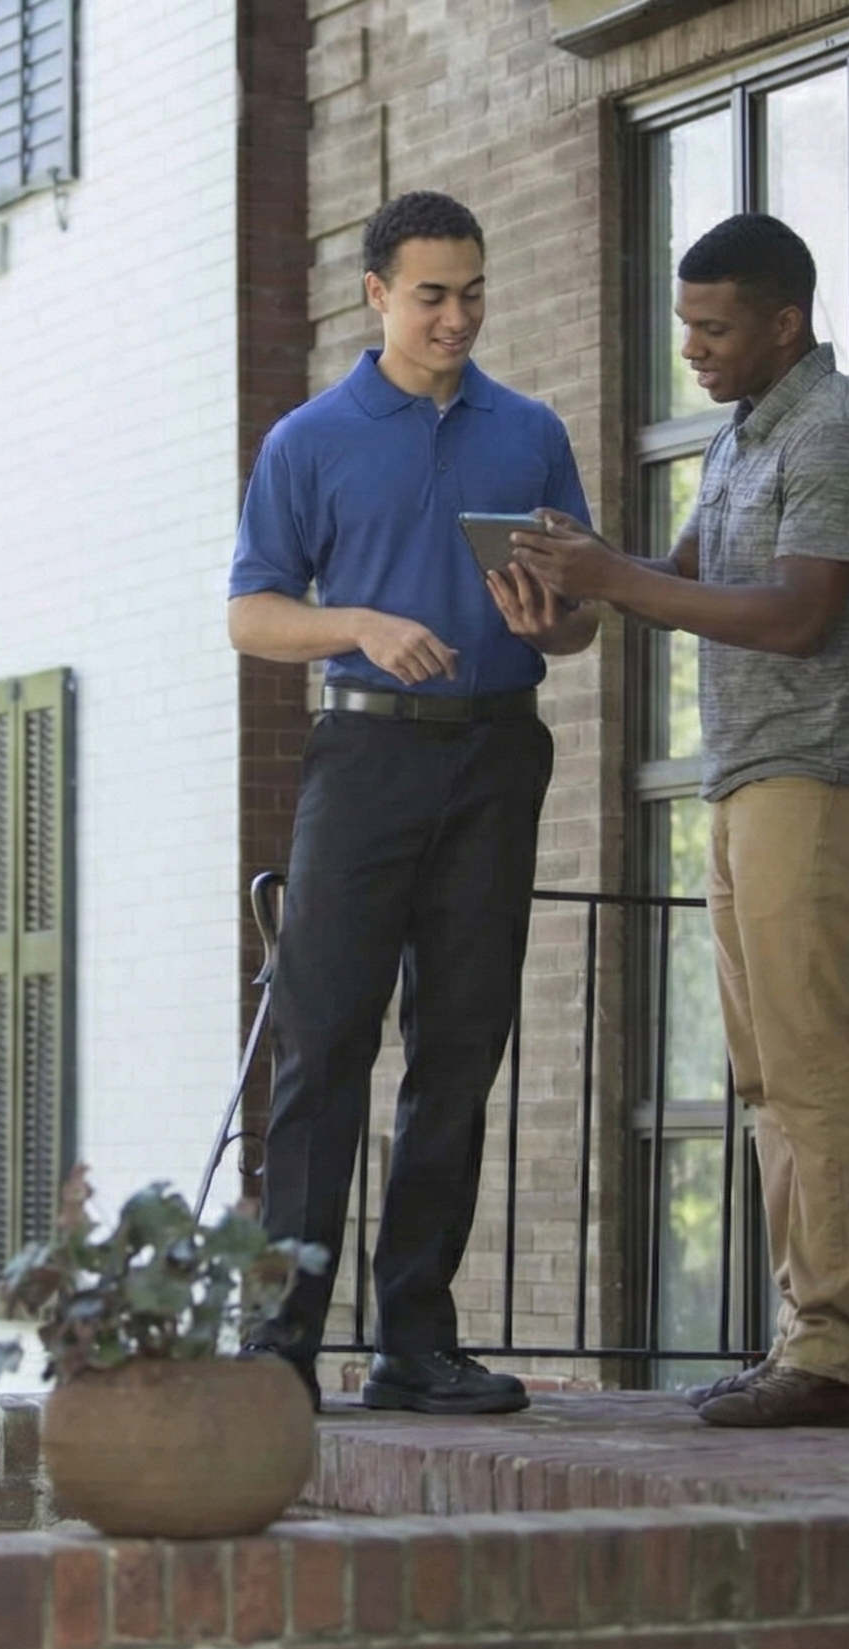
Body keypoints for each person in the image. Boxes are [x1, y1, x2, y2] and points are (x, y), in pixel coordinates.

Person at [509, 212, 849, 1429]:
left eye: (712, 326)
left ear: (784, 321)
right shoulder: (740, 439)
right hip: (742, 779)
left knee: (812, 1066)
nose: (690, 346)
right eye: (684, 323)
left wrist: (616, 577)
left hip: (822, 777)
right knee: (762, 1077)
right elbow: (668, 588)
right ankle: (807, 1341)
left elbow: (795, 615)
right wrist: (563, 602)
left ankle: (837, 1353)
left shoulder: (837, 431)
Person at [228, 190, 596, 1416]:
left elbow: (584, 610)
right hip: (364, 756)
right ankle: (280, 1344)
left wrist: (560, 614)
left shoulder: (530, 432)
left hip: (497, 755)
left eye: (473, 291)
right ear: (376, 293)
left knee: (458, 1048)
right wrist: (361, 626)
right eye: (432, 293)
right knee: (323, 1041)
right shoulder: (310, 439)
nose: (456, 315)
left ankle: (412, 1343)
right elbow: (251, 611)